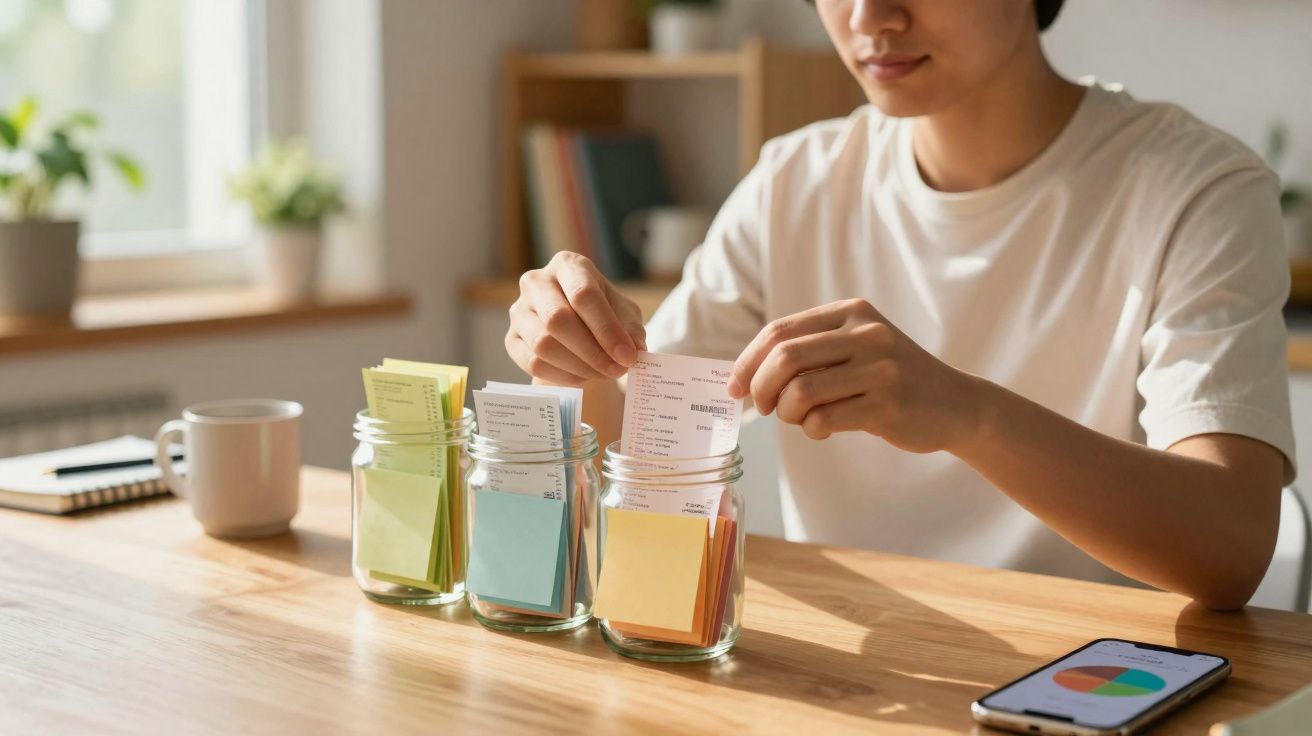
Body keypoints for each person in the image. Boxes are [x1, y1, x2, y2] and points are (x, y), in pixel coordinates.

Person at [505, 0, 1295, 610]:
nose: (869, 17)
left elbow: (1230, 546)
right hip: (871, 667)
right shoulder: (797, 182)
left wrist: (966, 413)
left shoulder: (1196, 190)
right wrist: (574, 360)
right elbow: (639, 447)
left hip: (1092, 679)